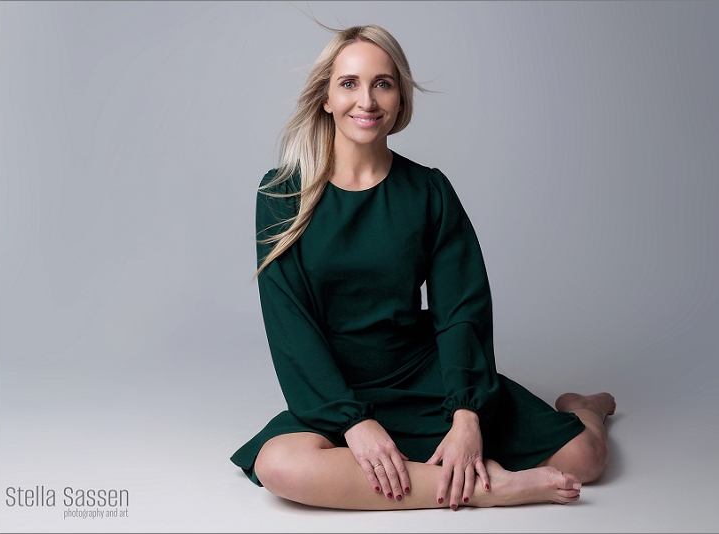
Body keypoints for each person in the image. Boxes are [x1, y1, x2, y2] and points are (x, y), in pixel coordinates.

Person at [230, 24, 616, 511]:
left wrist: (466, 416)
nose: (366, 100)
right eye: (348, 83)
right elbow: (290, 327)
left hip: (425, 377)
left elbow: (461, 308)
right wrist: (354, 422)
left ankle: (586, 409)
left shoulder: (429, 190)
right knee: (280, 466)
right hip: (334, 388)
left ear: (399, 98)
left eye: (382, 83)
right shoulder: (283, 192)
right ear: (325, 97)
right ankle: (485, 491)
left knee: (587, 457)